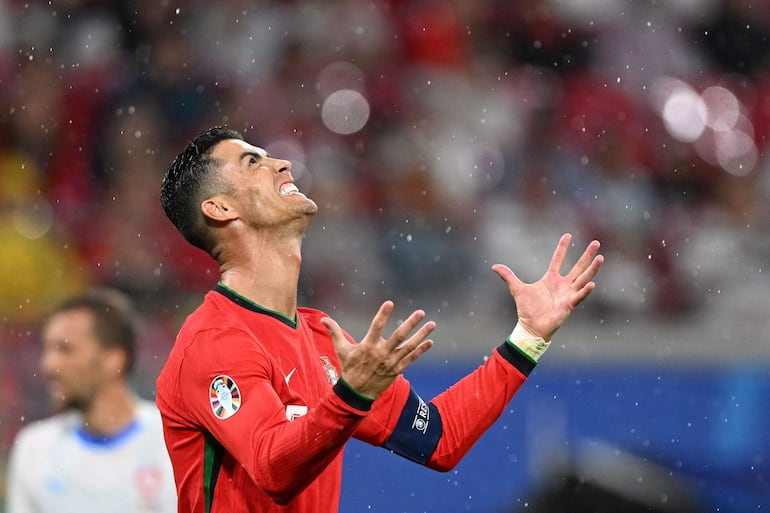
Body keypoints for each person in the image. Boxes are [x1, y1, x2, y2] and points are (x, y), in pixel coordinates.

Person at [156, 126, 604, 513]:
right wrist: (350, 396)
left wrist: (528, 338)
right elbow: (274, 468)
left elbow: (440, 439)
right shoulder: (215, 341)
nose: (282, 163)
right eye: (253, 161)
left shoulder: (321, 339)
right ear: (219, 209)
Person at [5, 288, 178, 513]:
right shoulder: (34, 449)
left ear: (113, 360)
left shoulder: (170, 444)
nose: (47, 365)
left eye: (65, 349)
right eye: (47, 349)